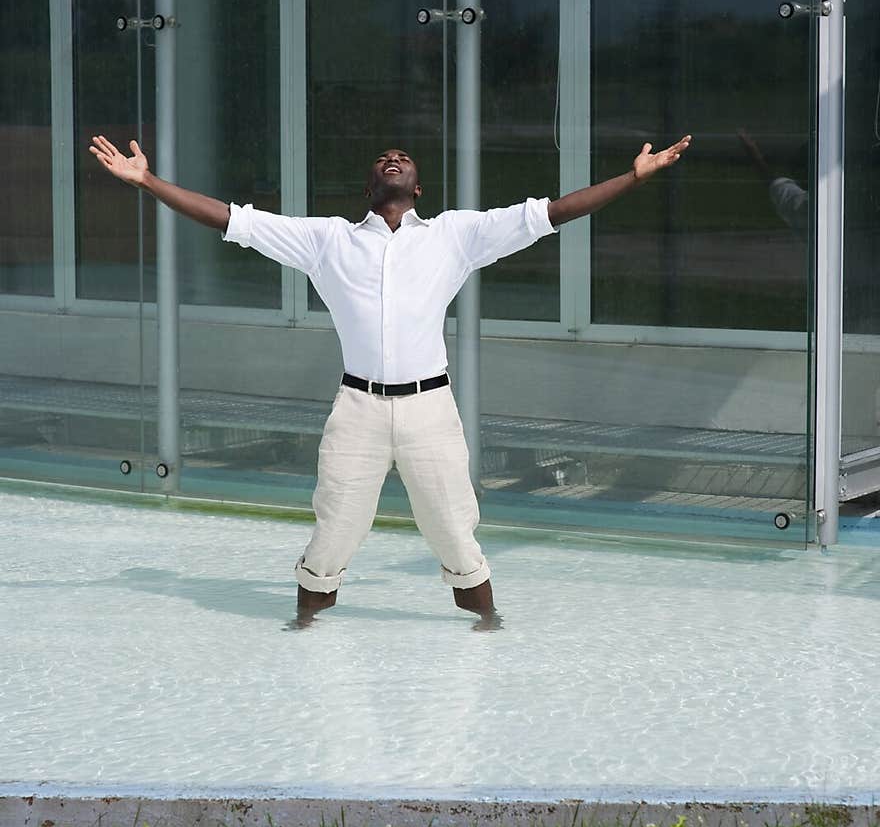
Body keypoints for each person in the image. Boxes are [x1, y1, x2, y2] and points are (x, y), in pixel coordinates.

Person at [89, 131, 692, 628]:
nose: (393, 157)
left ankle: (491, 635)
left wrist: (635, 177)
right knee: (333, 533)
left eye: (403, 157)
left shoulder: (455, 236)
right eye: (383, 158)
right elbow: (229, 220)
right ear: (371, 187)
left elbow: (555, 213)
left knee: (456, 531)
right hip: (358, 411)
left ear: (417, 187)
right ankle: (300, 636)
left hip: (431, 410)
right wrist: (146, 181)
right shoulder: (328, 241)